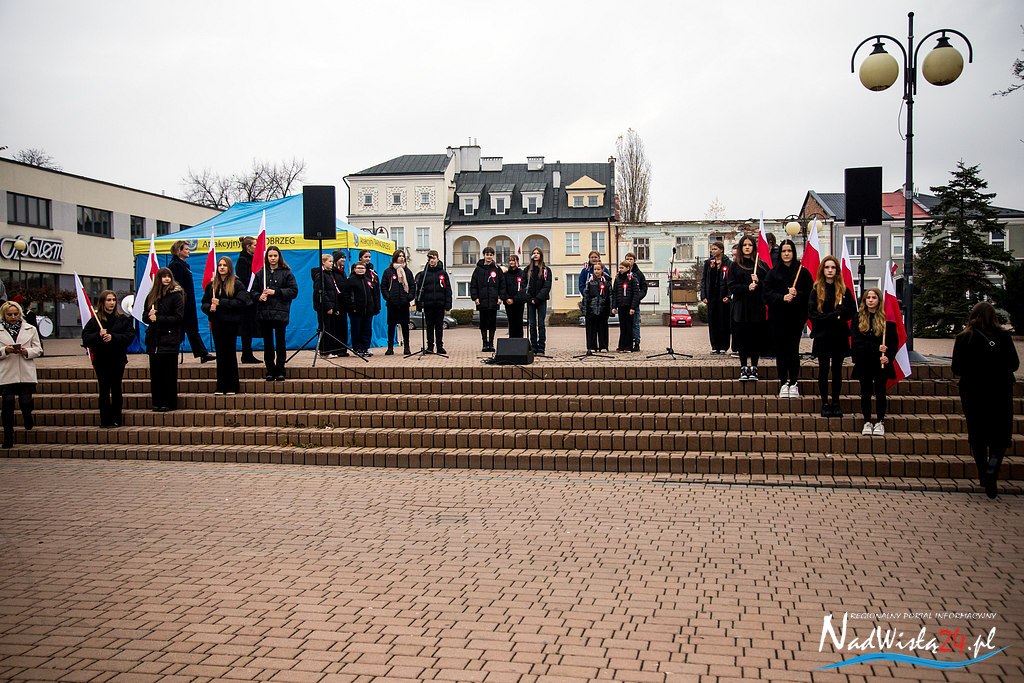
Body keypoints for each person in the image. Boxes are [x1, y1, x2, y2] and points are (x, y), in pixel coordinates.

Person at [952, 302, 1020, 498]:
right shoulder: (1004, 337)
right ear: (994, 316)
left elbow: (956, 368)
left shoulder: (964, 338)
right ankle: (992, 469)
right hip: (1000, 392)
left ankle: (983, 473)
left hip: (973, 392)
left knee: (978, 434)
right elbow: (1014, 364)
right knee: (1000, 435)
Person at [808, 256, 856, 418]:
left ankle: (835, 402)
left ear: (837, 270)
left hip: (839, 336)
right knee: (823, 370)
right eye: (827, 267)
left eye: (833, 267)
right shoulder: (816, 290)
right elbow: (813, 314)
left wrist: (839, 314)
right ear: (822, 270)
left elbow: (851, 312)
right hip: (823, 336)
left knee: (837, 370)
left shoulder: (844, 290)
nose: (830, 270)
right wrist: (833, 316)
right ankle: (824, 403)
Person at [764, 239, 812, 397]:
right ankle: (783, 382)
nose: (786, 254)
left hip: (795, 318)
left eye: (789, 251)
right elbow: (766, 294)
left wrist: (797, 294)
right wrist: (782, 297)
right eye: (784, 251)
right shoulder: (773, 273)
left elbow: (810, 294)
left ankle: (794, 382)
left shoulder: (802, 272)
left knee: (793, 350)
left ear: (793, 252)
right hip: (778, 318)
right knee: (781, 351)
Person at [82, 290, 134, 427]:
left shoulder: (122, 319)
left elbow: (129, 336)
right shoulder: (95, 320)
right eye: (108, 300)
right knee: (104, 389)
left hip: (117, 359)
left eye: (113, 300)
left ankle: (116, 418)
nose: (112, 303)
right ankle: (105, 419)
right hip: (101, 360)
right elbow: (86, 338)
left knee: (116, 388)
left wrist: (114, 337)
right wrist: (98, 335)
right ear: (102, 302)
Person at [851, 288, 897, 436]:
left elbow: (893, 344)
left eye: (874, 297)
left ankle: (880, 421)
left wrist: (888, 356)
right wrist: (876, 347)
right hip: (864, 361)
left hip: (880, 363)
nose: (870, 300)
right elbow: (857, 341)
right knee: (865, 392)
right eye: (868, 298)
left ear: (879, 300)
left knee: (880, 392)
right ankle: (867, 421)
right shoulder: (858, 318)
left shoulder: (886, 320)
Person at [201, 256, 250, 395]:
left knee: (229, 353)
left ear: (229, 267)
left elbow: (241, 302)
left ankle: (232, 385)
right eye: (220, 265)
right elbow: (204, 303)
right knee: (220, 354)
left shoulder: (237, 284)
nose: (222, 267)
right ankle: (221, 385)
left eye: (224, 265)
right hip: (217, 323)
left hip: (231, 323)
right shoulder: (212, 285)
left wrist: (221, 303)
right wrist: (209, 307)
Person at [0, 301, 42, 448]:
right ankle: (8, 437)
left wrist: (26, 351)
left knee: (25, 401)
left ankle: (27, 415)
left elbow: (38, 349)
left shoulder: (30, 329)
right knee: (7, 404)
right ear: (4, 315)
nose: (13, 317)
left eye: (15, 314)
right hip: (6, 373)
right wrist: (5, 350)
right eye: (9, 314)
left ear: (20, 314)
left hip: (25, 371)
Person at [727, 235, 769, 381]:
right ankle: (744, 367)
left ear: (753, 247)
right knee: (743, 338)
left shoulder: (761, 265)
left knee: (755, 338)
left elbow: (769, 285)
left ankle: (754, 367)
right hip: (741, 307)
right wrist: (746, 287)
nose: (747, 247)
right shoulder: (735, 265)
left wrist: (759, 282)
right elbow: (731, 286)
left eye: (750, 245)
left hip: (756, 307)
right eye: (744, 245)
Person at [167, 240, 215, 363]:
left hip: (188, 301)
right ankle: (172, 352)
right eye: (186, 249)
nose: (189, 251)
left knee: (191, 328)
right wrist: (181, 302)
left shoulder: (184, 265)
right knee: (183, 329)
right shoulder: (176, 265)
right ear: (179, 251)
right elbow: (177, 285)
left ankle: (202, 353)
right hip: (182, 303)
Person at [145, 267, 184, 412]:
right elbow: (144, 316)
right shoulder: (152, 296)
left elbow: (178, 317)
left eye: (169, 276)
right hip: (154, 341)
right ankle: (157, 401)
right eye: (163, 276)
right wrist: (149, 316)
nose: (166, 279)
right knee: (156, 374)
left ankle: (169, 402)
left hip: (169, 339)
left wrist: (159, 318)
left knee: (169, 373)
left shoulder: (176, 296)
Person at [256, 246, 297, 380]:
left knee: (280, 342)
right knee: (267, 343)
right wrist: (259, 296)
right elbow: (252, 291)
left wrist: (276, 292)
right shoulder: (261, 273)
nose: (273, 258)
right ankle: (270, 369)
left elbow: (293, 291)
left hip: (280, 312)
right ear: (266, 257)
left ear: (279, 257)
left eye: (275, 256)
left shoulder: (286, 273)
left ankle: (280, 369)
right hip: (265, 312)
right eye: (270, 256)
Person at [414, 250, 452, 354]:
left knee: (439, 326)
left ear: (437, 259)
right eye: (430, 258)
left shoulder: (443, 273)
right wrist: (419, 303)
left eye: (433, 258)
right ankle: (430, 346)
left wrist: (448, 304)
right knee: (429, 326)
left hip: (439, 304)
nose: (431, 260)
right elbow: (419, 289)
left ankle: (440, 346)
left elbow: (448, 290)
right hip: (428, 304)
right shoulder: (424, 274)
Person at [470, 246, 505, 352]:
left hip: (494, 301)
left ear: (493, 256)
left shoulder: (497, 269)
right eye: (487, 254)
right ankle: (484, 343)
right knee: (483, 323)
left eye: (491, 255)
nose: (489, 257)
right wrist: (475, 297)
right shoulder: (478, 269)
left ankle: (491, 343)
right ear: (484, 255)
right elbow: (473, 285)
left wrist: (500, 297)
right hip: (482, 301)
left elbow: (502, 285)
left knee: (492, 323)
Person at [700, 242, 732, 355]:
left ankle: (723, 346)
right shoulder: (708, 263)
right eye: (712, 249)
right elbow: (704, 280)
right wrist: (703, 295)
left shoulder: (728, 263)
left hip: (723, 297)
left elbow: (731, 281)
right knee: (713, 322)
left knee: (723, 322)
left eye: (715, 249)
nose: (713, 251)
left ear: (721, 250)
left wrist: (729, 295)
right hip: (711, 296)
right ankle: (714, 346)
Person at [381, 249, 415, 356]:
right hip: (392, 304)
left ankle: (407, 347)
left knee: (405, 326)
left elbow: (412, 286)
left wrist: (408, 297)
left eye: (403, 256)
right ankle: (390, 347)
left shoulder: (407, 272)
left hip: (404, 303)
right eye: (399, 256)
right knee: (391, 326)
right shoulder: (388, 271)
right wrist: (388, 297)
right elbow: (383, 286)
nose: (401, 258)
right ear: (395, 258)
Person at [235, 236, 261, 364]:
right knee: (246, 326)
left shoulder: (253, 259)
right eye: (255, 245)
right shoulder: (242, 261)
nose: (257, 247)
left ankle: (248, 353)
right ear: (248, 247)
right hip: (246, 298)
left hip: (253, 297)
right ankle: (246, 353)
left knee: (251, 326)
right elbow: (243, 279)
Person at [347, 260, 380, 357]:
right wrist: (352, 307)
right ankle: (357, 348)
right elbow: (347, 295)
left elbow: (374, 295)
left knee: (367, 330)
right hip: (356, 311)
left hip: (368, 310)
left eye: (362, 268)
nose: (360, 270)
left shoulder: (368, 281)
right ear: (354, 269)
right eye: (358, 268)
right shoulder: (351, 281)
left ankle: (366, 347)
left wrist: (375, 307)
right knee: (356, 330)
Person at [313, 253, 343, 358]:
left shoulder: (329, 274)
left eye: (332, 261)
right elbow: (321, 292)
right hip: (324, 307)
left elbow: (333, 292)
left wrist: (336, 307)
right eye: (329, 261)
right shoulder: (320, 275)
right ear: (323, 262)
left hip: (332, 305)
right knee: (324, 328)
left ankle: (329, 350)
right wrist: (328, 306)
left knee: (330, 329)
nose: (331, 263)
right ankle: (324, 351)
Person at [524, 247, 552, 356]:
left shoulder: (546, 270)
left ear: (541, 255)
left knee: (541, 324)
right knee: (532, 324)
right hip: (530, 301)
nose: (535, 255)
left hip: (541, 301)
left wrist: (537, 298)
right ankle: (533, 347)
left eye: (537, 253)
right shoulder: (527, 270)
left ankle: (541, 348)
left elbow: (547, 286)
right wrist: (529, 298)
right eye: (534, 253)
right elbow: (524, 285)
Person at [582, 259, 611, 354]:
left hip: (603, 309)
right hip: (592, 309)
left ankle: (603, 346)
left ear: (602, 270)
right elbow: (586, 296)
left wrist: (610, 308)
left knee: (603, 329)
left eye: (598, 269)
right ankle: (592, 346)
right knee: (591, 329)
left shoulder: (607, 282)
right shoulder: (590, 282)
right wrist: (585, 309)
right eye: (595, 269)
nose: (596, 271)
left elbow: (610, 296)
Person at [612, 260, 641, 353]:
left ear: (628, 268)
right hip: (621, 306)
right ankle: (621, 345)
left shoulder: (633, 279)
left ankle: (629, 346)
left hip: (629, 307)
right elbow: (614, 293)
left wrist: (633, 307)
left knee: (629, 326)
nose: (620, 269)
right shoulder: (617, 279)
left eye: (622, 268)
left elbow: (636, 294)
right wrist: (614, 307)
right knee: (622, 326)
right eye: (619, 268)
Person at [623, 253, 648, 352]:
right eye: (627, 259)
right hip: (625, 303)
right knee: (625, 324)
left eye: (631, 259)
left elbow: (644, 288)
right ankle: (626, 343)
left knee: (635, 323)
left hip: (634, 303)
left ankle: (636, 342)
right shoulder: (622, 273)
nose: (629, 261)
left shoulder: (639, 274)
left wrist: (637, 298)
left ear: (634, 261)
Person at [502, 254, 528, 339]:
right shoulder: (505, 274)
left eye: (513, 260)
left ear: (517, 262)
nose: (511, 262)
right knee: (511, 322)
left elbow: (523, 288)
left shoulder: (522, 273)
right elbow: (503, 288)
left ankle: (520, 341)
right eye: (510, 260)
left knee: (518, 322)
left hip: (519, 303)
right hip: (508, 303)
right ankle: (511, 341)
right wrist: (507, 298)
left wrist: (514, 299)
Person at [331, 249, 351, 356]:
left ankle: (343, 349)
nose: (343, 259)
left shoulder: (343, 272)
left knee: (343, 327)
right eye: (341, 258)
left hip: (344, 304)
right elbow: (334, 289)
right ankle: (335, 349)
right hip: (336, 304)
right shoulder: (332, 273)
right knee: (336, 327)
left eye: (344, 257)